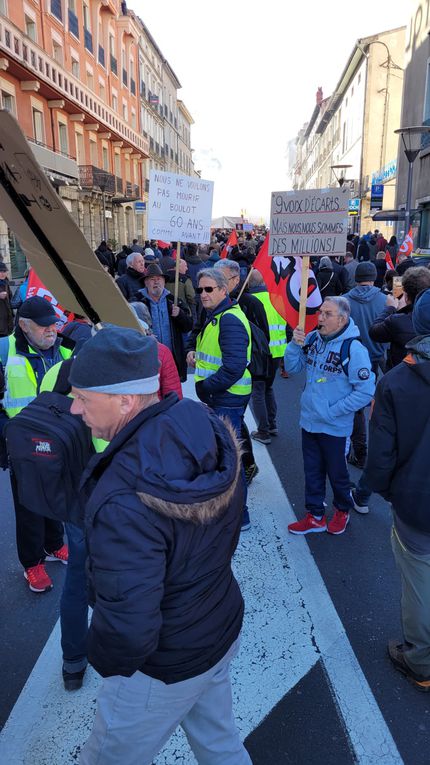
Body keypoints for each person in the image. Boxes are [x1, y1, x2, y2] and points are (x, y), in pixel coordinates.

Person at [68, 327, 251, 765]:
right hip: (218, 624)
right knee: (220, 742)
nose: (75, 410)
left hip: (163, 663)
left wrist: (105, 663)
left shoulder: (122, 499)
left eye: (82, 398)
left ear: (125, 401)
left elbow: (128, 628)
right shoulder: (199, 420)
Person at [364, 289, 430, 692]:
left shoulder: (396, 381)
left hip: (417, 504)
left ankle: (421, 659)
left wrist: (385, 491)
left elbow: (381, 454)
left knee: (419, 582)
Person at [284, 297, 375, 536]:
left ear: (342, 319)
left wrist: (332, 411)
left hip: (335, 427)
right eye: (320, 312)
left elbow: (365, 391)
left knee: (337, 473)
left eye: (327, 314)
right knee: (312, 471)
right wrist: (294, 345)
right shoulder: (313, 339)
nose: (320, 317)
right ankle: (314, 516)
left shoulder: (354, 349)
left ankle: (342, 511)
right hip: (309, 422)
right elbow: (293, 368)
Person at [1, 297, 72, 592]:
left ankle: (54, 544)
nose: (51, 330)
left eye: (53, 324)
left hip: (59, 443)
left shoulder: (68, 349)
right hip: (23, 447)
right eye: (43, 326)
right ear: (24, 326)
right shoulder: (5, 352)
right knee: (29, 506)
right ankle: (32, 563)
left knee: (56, 498)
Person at [187, 268, 252, 530]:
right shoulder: (214, 313)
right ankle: (228, 509)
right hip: (220, 396)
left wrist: (206, 389)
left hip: (226, 398)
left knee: (230, 460)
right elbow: (200, 337)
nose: (203, 294)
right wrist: (193, 350)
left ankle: (240, 515)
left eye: (209, 289)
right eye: (200, 289)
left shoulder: (230, 319)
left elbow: (234, 367)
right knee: (222, 456)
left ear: (224, 290)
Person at [345, 261, 386, 468]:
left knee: (355, 408)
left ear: (356, 278)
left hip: (349, 359)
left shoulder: (343, 301)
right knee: (373, 403)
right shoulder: (386, 300)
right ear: (374, 277)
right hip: (376, 358)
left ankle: (359, 452)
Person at [248, 269, 287, 443]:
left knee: (257, 390)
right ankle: (272, 424)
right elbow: (288, 327)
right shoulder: (278, 298)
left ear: (249, 284)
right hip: (278, 351)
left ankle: (263, 431)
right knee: (268, 388)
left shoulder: (249, 301)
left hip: (259, 353)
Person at [138, 263, 192, 382]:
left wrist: (180, 315)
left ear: (164, 281)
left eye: (159, 279)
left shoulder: (174, 301)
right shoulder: (137, 302)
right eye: (152, 279)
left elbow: (188, 326)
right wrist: (144, 335)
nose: (156, 282)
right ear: (146, 283)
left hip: (172, 358)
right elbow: (129, 328)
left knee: (171, 391)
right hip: (148, 358)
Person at [369, 267, 430, 369]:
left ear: (406, 296)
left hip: (402, 374)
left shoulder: (397, 321)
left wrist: (390, 308)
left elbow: (374, 332)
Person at [0, 262, 14, 337]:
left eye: (4, 271)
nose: (3, 274)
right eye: (0, 271)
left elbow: (11, 300)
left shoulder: (5, 283)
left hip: (7, 322)